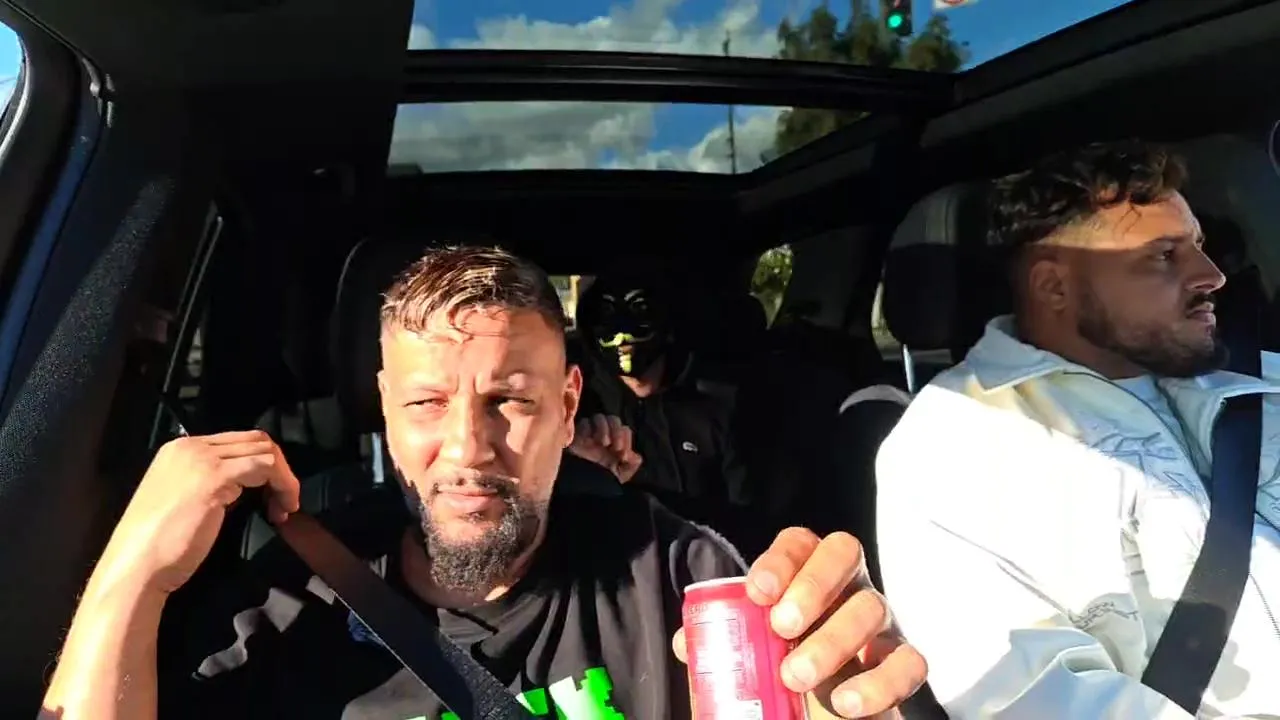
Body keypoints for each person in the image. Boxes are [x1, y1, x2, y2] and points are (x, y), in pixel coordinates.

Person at [42, 246, 926, 719]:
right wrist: (132, 574)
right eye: (427, 402)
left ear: (568, 405)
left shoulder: (681, 579)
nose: (468, 447)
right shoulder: (281, 607)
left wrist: (834, 693)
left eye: (510, 400)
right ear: (384, 408)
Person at [875, 140, 1280, 718]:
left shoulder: (1262, 379)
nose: (1213, 276)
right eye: (1164, 256)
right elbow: (1037, 700)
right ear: (1054, 288)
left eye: (1199, 247)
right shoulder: (955, 445)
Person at [569, 270, 763, 554]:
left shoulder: (721, 406)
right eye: (606, 313)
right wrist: (589, 477)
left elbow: (749, 520)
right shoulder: (576, 410)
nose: (622, 331)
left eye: (640, 309)